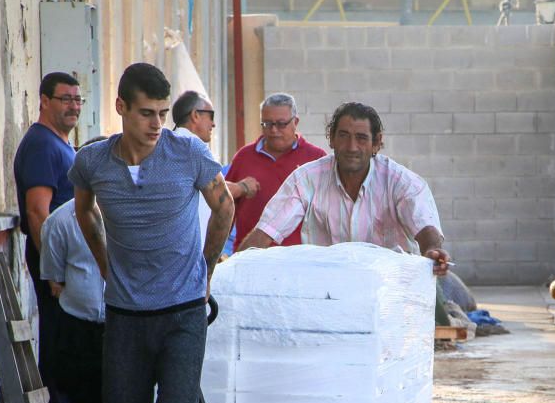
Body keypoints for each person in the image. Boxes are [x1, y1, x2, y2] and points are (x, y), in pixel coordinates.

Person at [69, 63, 234, 403]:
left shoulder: (186, 153)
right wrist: (104, 264)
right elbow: (84, 214)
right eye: (147, 113)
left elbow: (224, 203)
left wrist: (206, 267)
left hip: (184, 314)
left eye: (163, 113)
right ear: (121, 108)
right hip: (125, 318)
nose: (157, 123)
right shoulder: (92, 161)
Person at [238, 101, 450, 278]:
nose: (351, 147)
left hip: (390, 288)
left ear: (377, 143)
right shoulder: (306, 179)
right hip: (329, 288)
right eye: (343, 136)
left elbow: (425, 227)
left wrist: (432, 251)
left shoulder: (401, 181)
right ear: (331, 138)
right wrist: (232, 269)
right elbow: (266, 232)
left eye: (361, 138)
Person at [13, 72, 82, 403]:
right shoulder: (41, 146)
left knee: (66, 343)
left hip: (65, 262)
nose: (72, 106)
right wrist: (53, 270)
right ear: (43, 101)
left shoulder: (59, 145)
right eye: (64, 99)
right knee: (57, 345)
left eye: (77, 99)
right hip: (52, 261)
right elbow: (39, 213)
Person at [39, 189, 106, 403]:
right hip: (78, 321)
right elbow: (54, 280)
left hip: (123, 319)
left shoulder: (129, 211)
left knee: (127, 400)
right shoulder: (60, 220)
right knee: (84, 401)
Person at [225, 92, 326, 249]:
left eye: (281, 124)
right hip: (252, 256)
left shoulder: (316, 158)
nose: (273, 130)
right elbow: (226, 207)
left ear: (296, 122)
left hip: (299, 259)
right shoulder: (244, 157)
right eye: (267, 124)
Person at [171, 90, 257, 254]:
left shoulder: (169, 146)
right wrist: (243, 187)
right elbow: (217, 193)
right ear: (195, 115)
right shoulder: (193, 148)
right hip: (190, 254)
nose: (213, 124)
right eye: (211, 115)